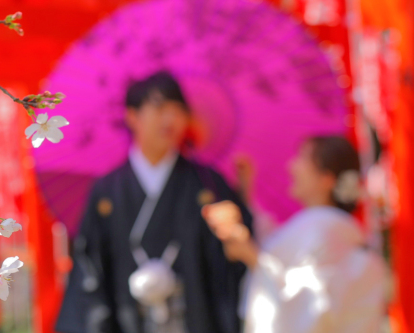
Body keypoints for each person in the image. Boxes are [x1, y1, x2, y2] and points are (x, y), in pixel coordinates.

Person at [56, 71, 253, 333]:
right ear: (132, 116)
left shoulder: (208, 184)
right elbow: (90, 269)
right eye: (160, 108)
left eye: (178, 110)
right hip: (127, 320)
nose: (170, 119)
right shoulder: (107, 191)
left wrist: (236, 223)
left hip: (194, 319)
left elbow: (232, 264)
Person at [203, 136, 387, 333]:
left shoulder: (323, 232)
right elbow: (273, 248)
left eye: (303, 158)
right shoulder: (326, 229)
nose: (292, 166)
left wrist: (251, 257)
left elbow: (306, 308)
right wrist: (246, 194)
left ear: (326, 179)